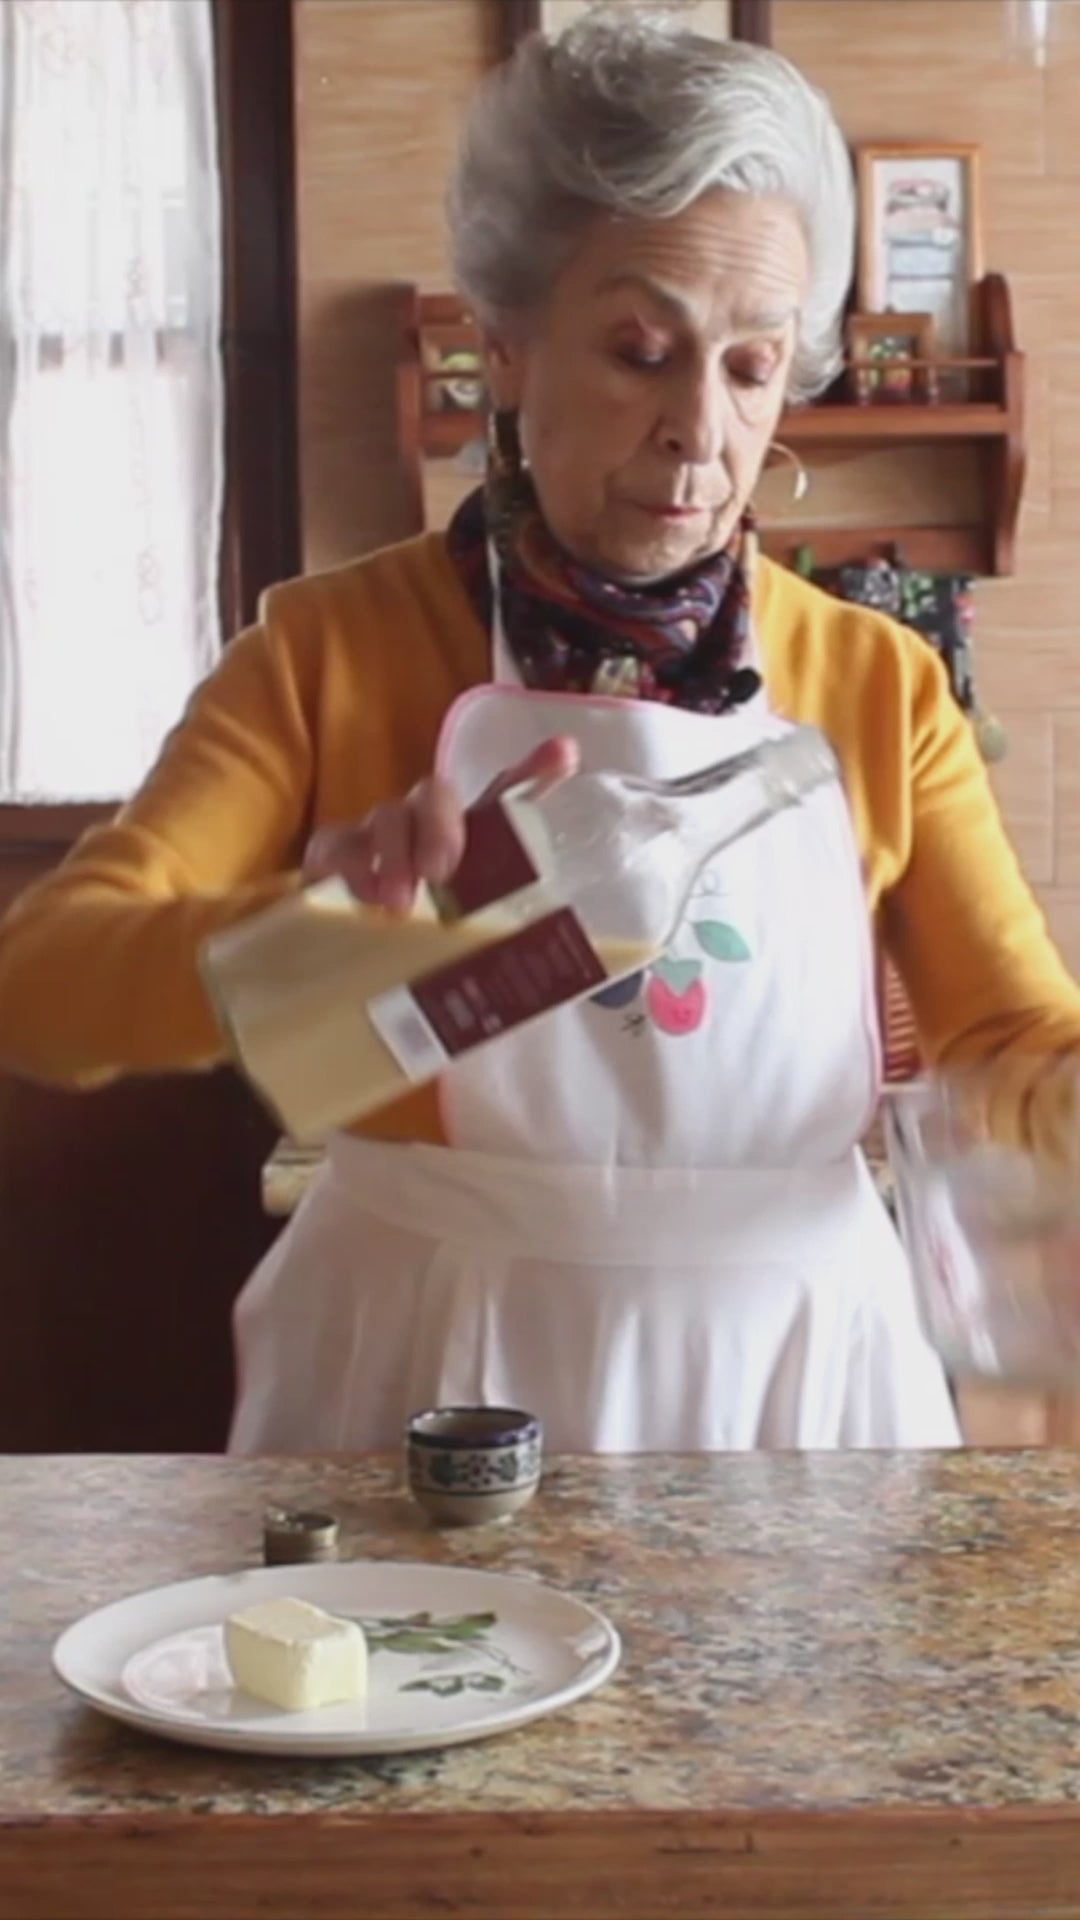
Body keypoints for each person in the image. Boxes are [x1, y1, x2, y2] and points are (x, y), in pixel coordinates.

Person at [1, 12, 1078, 1453]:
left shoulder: (877, 685)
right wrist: (331, 924)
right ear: (503, 349)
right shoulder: (331, 653)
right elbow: (46, 987)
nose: (702, 429)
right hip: (425, 1362)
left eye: (754, 368)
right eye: (642, 350)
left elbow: (1009, 1035)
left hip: (797, 1386)